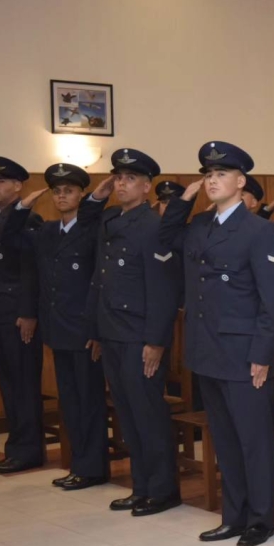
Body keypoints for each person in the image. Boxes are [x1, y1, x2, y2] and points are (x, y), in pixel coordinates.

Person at [159, 141, 274, 546]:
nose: (212, 180)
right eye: (207, 175)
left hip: (244, 352)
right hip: (206, 350)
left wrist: (263, 354)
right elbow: (163, 240)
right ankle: (233, 515)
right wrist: (184, 197)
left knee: (253, 439)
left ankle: (260, 519)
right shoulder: (199, 226)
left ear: (240, 181)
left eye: (220, 175)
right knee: (225, 440)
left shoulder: (260, 230)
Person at [1, 165, 114, 487]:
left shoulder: (92, 228)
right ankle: (79, 464)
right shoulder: (48, 232)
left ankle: (92, 468)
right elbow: (10, 238)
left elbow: (96, 281)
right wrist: (23, 206)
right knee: (70, 400)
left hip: (85, 331)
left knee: (88, 400)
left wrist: (96, 199)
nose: (62, 196)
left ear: (81, 194)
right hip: (58, 329)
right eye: (57, 191)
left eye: (69, 190)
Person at [90, 148, 180, 513]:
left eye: (129, 179)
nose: (121, 184)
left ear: (146, 188)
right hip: (112, 331)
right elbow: (101, 280)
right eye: (118, 178)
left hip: (140, 335)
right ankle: (141, 485)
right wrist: (96, 330)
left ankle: (162, 490)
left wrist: (156, 341)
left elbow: (162, 289)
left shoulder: (154, 226)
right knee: (127, 414)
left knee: (147, 413)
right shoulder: (111, 220)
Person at [0, 156, 45, 473]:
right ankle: (16, 447)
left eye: (0, 181)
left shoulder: (28, 221)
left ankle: (28, 451)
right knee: (9, 383)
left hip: (17, 316)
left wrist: (28, 312)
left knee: (23, 383)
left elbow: (30, 271)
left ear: (18, 186)